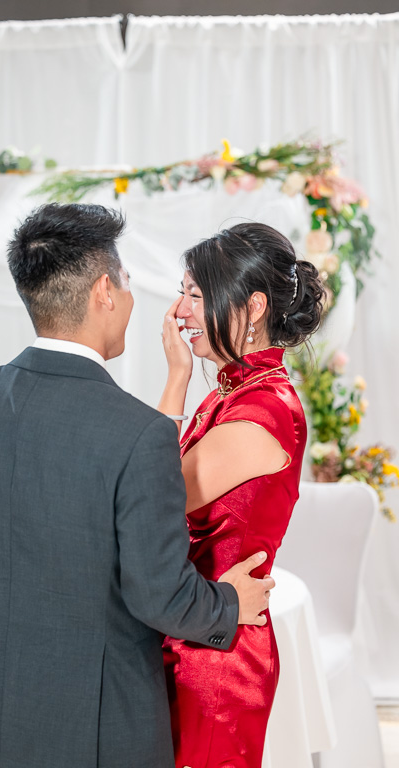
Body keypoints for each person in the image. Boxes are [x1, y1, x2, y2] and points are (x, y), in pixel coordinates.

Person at [0, 203, 275, 768]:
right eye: (126, 282)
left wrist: (18, 557)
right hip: (98, 732)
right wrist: (229, 603)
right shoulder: (137, 433)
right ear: (104, 290)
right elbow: (159, 594)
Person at [159, 222, 325, 768]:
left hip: (212, 659)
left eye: (196, 295)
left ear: (252, 307)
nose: (180, 311)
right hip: (192, 635)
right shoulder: (234, 394)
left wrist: (176, 382)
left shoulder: (265, 409)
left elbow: (150, 499)